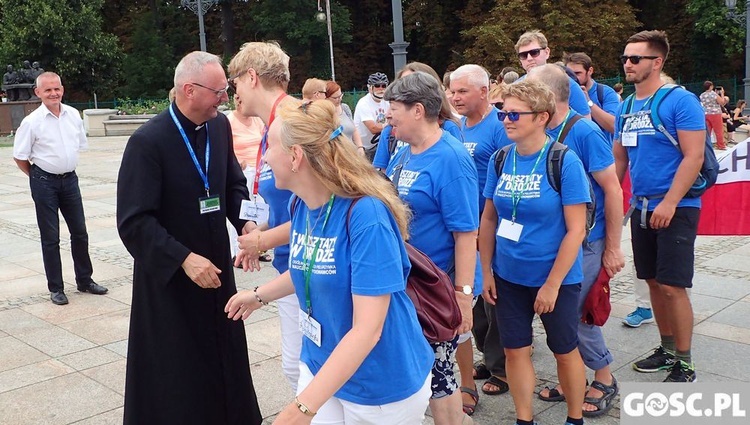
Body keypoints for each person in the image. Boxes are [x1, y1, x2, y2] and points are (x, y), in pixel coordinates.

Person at [225, 99, 433, 424]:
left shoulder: (367, 217)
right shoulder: (301, 205)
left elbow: (367, 330)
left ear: (296, 157)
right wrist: (258, 295)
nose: (264, 156)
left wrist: (300, 409)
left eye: (270, 146)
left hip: (379, 384)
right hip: (323, 360)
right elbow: (308, 270)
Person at [116, 51, 262, 424]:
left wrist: (245, 223)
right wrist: (182, 258)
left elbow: (233, 184)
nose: (225, 98)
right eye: (218, 91)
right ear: (189, 90)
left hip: (216, 270)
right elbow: (134, 221)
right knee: (180, 371)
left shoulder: (218, 127)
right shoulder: (148, 142)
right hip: (172, 281)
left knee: (223, 356)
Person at [478, 79, 590, 425]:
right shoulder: (501, 159)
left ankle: (574, 418)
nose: (506, 119)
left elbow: (576, 229)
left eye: (514, 113)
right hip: (509, 275)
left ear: (541, 117)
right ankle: (524, 419)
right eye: (502, 112)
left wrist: (553, 284)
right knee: (515, 349)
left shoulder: (563, 161)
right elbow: (489, 218)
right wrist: (487, 272)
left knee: (564, 349)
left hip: (555, 277)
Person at [529, 64, 624, 417]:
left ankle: (603, 376)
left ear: (550, 98)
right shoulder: (540, 130)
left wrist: (612, 247)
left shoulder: (583, 132)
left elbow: (613, 189)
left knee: (574, 315)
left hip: (587, 241)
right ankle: (573, 379)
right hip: (555, 242)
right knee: (558, 316)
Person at [385, 72, 479, 425]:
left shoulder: (450, 159)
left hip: (437, 287)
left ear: (418, 110)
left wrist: (463, 295)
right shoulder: (403, 150)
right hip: (410, 281)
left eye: (394, 107)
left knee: (440, 374)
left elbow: (466, 235)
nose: (388, 115)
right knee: (427, 371)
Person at [613, 30, 705, 383]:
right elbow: (619, 159)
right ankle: (666, 348)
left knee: (672, 285)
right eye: (625, 57)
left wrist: (669, 202)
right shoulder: (626, 106)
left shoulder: (680, 101)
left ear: (657, 62)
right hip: (642, 207)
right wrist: (610, 200)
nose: (627, 64)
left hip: (678, 206)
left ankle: (685, 360)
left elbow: (694, 155)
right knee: (651, 281)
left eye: (635, 58)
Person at [227, 41, 304, 391]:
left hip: (314, 267)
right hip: (290, 265)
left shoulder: (293, 123)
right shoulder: (272, 124)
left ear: (252, 77)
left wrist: (262, 239)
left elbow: (326, 212)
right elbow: (288, 203)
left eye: (235, 82)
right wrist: (257, 232)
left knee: (303, 371)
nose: (234, 92)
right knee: (295, 368)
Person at [13, 72, 108, 306]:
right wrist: (38, 177)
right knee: (50, 237)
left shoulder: (74, 115)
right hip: (44, 181)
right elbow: (20, 157)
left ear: (62, 90)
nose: (53, 93)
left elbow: (79, 146)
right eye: (47, 90)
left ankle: (85, 280)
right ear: (38, 93)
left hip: (70, 181)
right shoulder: (31, 122)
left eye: (56, 89)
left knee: (80, 232)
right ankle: (56, 288)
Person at [449, 63, 513, 406]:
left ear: (485, 91)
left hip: (492, 228)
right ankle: (488, 357)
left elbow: (508, 176)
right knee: (472, 296)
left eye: (463, 91)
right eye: (453, 91)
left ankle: (501, 367)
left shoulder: (499, 127)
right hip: (465, 228)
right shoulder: (458, 127)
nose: (455, 97)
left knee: (494, 299)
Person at [372, 61, 462, 171]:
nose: (402, 89)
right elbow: (383, 175)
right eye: (402, 83)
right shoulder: (391, 133)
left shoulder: (449, 133)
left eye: (412, 84)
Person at [226, 93, 268, 260]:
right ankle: (236, 251)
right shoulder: (229, 121)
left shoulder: (256, 120)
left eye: (242, 99)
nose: (239, 103)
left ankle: (259, 248)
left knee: (259, 210)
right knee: (241, 210)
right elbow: (225, 148)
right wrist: (238, 161)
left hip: (258, 170)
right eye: (236, 99)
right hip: (241, 171)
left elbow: (264, 142)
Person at [514, 30, 591, 118]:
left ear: (547, 52)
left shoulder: (567, 84)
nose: (529, 58)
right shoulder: (515, 87)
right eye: (523, 55)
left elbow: (585, 120)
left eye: (534, 52)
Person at [563, 52, 620, 140]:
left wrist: (588, 102)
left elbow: (614, 126)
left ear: (590, 71)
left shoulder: (605, 92)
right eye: (570, 74)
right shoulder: (564, 95)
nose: (573, 78)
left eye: (577, 73)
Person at [353, 72, 389, 151]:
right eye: (377, 86)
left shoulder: (387, 101)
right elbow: (373, 128)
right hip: (364, 147)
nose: (381, 89)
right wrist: (388, 125)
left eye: (383, 86)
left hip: (379, 143)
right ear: (370, 88)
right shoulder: (364, 103)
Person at [325, 80, 364, 151]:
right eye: (335, 98)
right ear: (326, 98)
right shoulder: (323, 114)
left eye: (340, 96)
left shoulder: (345, 108)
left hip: (352, 152)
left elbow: (354, 130)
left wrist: (360, 147)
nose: (339, 99)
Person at [700, 80, 727, 150]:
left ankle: (706, 146)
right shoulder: (714, 94)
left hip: (706, 114)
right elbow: (722, 102)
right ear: (711, 86)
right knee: (718, 131)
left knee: (707, 131)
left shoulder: (702, 95)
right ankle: (721, 145)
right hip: (715, 114)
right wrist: (722, 94)